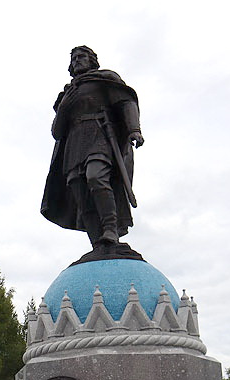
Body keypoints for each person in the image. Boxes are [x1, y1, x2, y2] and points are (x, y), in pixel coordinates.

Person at [41, 45, 143, 249]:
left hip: (99, 136)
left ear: (92, 61)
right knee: (80, 192)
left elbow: (126, 102)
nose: (77, 60)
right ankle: (97, 240)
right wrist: (63, 107)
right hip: (74, 145)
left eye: (82, 56)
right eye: (74, 58)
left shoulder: (103, 80)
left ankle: (110, 230)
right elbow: (56, 132)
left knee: (96, 176)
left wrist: (134, 129)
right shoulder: (67, 94)